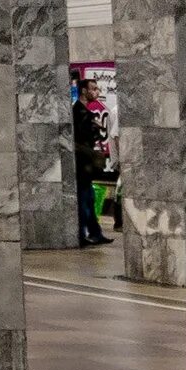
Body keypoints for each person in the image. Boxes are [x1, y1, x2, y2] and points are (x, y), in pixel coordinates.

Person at [72, 77, 111, 247]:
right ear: (84, 91)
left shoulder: (82, 111)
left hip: (83, 163)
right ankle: (84, 234)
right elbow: (82, 136)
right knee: (84, 199)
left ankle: (94, 232)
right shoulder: (80, 112)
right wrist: (93, 127)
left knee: (88, 198)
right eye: (93, 88)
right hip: (82, 164)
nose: (97, 92)